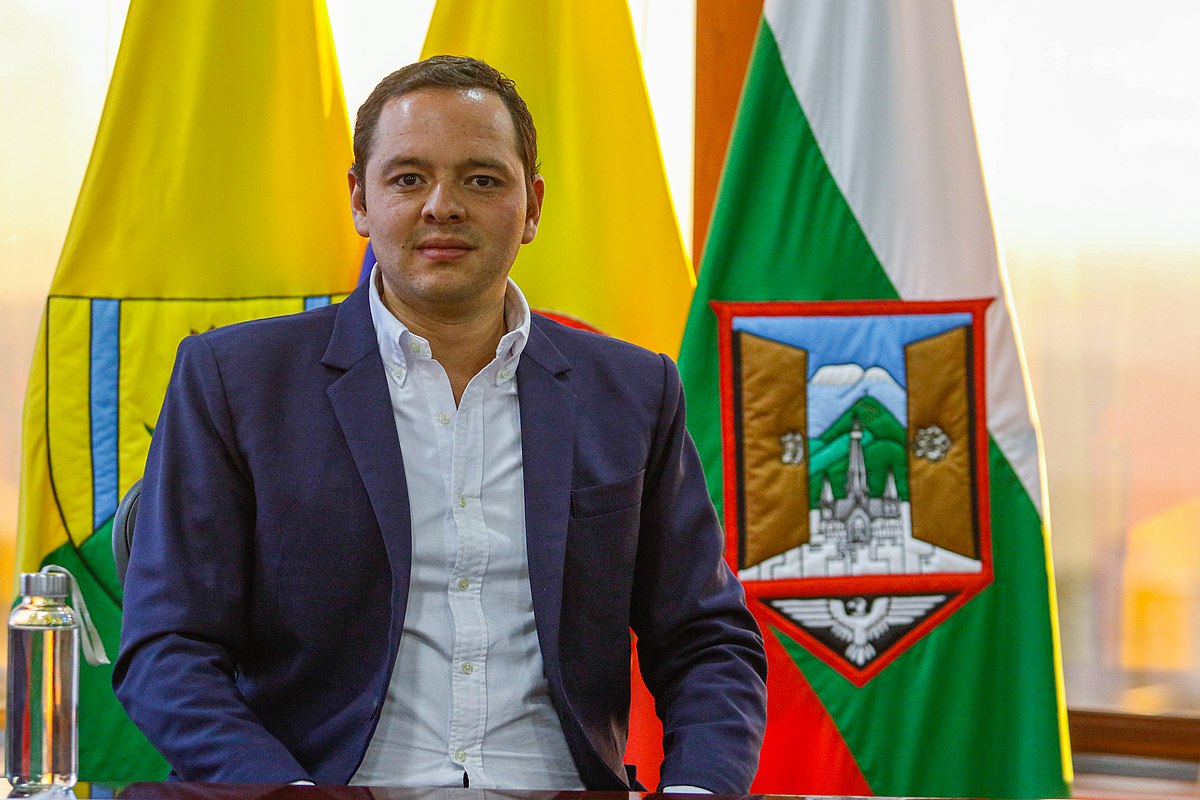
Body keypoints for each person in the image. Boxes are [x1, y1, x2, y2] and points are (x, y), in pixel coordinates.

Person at [114, 56, 767, 792]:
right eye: (408, 178)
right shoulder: (235, 381)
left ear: (532, 206)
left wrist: (696, 791)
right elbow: (168, 649)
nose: (442, 207)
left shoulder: (633, 391)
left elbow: (708, 642)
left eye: (481, 180)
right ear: (360, 202)